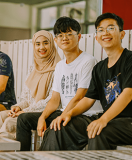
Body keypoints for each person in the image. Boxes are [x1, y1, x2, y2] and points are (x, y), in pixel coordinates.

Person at [39, 13, 132, 151]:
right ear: (97, 37)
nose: (105, 33)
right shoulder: (99, 68)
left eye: (111, 28)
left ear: (122, 34)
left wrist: (103, 119)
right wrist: (68, 114)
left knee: (98, 132)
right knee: (60, 127)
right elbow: (88, 99)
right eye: (100, 30)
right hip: (109, 120)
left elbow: (127, 94)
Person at [16, 17, 102, 151]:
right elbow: (55, 99)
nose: (65, 38)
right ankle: (23, 157)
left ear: (79, 37)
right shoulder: (60, 66)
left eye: (69, 34)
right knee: (23, 119)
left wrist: (61, 117)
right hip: (64, 112)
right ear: (55, 40)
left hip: (85, 115)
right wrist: (42, 117)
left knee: (55, 128)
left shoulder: (88, 61)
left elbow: (80, 97)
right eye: (60, 35)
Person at [0, 30, 61, 139]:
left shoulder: (59, 68)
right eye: (37, 44)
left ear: (52, 44)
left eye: (45, 43)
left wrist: (24, 111)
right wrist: (18, 107)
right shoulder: (33, 68)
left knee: (10, 122)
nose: (41, 47)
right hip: (28, 111)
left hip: (46, 113)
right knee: (0, 116)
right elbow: (26, 98)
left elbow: (51, 100)